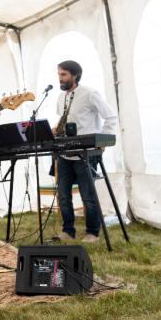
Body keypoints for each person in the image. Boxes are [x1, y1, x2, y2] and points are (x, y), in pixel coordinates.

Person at [54, 60, 117, 242]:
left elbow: (111, 117)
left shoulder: (89, 93)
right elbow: (63, 120)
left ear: (75, 75)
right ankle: (68, 231)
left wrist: (102, 141)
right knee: (63, 196)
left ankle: (92, 232)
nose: (60, 78)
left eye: (63, 74)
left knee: (88, 196)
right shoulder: (61, 97)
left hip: (86, 153)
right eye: (59, 74)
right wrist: (54, 130)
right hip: (65, 154)